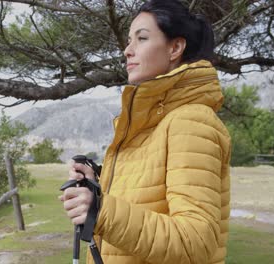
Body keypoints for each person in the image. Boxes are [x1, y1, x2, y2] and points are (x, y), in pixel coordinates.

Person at [59, 0, 231, 263]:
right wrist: (98, 180)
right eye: (129, 40)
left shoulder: (191, 121)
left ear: (175, 47)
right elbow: (148, 195)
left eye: (141, 38)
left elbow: (195, 241)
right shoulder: (150, 124)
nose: (128, 50)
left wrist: (101, 211)